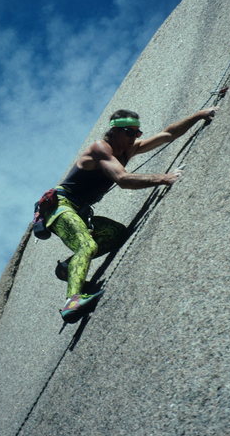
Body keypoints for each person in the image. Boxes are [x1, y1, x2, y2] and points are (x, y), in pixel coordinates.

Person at [43, 107, 218, 321]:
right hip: (60, 206)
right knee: (86, 245)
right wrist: (164, 178)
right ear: (114, 131)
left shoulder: (127, 149)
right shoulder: (100, 149)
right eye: (129, 132)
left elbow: (168, 134)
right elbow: (123, 180)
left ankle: (68, 268)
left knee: (115, 234)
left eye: (137, 132)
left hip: (78, 211)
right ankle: (73, 301)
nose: (134, 137)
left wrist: (199, 115)